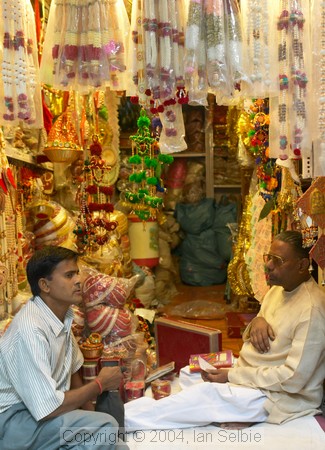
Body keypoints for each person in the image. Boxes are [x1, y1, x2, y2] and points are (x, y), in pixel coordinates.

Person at [125, 230, 325, 430]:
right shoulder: (277, 289)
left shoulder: (312, 309)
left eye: (278, 260)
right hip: (250, 375)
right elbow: (253, 331)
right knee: (189, 373)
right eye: (269, 257)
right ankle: (221, 407)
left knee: (204, 395)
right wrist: (258, 321)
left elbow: (293, 379)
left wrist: (232, 376)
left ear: (302, 265)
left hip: (276, 396)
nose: (269, 265)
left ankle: (123, 420)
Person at [0, 246, 128, 450]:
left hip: (38, 416)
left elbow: (74, 373)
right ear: (45, 285)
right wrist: (100, 384)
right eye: (69, 275)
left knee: (117, 444)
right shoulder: (30, 329)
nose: (78, 280)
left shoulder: (63, 317)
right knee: (106, 427)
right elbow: (48, 407)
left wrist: (90, 418)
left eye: (77, 273)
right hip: (13, 423)